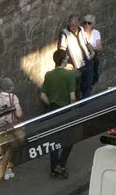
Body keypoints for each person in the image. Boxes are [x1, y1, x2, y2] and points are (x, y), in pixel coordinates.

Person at [41, 49, 77, 179]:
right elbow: (72, 97)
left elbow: (43, 95)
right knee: (69, 139)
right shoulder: (70, 75)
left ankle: (53, 167)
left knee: (54, 139)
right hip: (66, 110)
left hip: (53, 109)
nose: (68, 59)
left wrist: (51, 104)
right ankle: (61, 165)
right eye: (66, 57)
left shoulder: (49, 75)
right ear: (63, 60)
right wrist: (74, 109)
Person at [0, 77, 23, 181]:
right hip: (8, 128)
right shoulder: (13, 97)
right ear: (9, 87)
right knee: (8, 150)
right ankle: (6, 170)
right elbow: (18, 114)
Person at [59, 14, 95, 99]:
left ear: (79, 23)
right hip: (76, 66)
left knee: (88, 85)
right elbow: (62, 50)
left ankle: (87, 102)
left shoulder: (81, 29)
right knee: (79, 88)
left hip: (87, 61)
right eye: (71, 25)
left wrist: (92, 52)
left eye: (75, 25)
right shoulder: (64, 33)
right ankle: (83, 103)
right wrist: (67, 64)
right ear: (68, 23)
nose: (73, 27)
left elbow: (87, 43)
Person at [80, 15, 103, 90]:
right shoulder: (81, 33)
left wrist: (90, 48)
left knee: (94, 76)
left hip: (93, 58)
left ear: (93, 25)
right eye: (85, 23)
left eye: (89, 23)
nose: (86, 25)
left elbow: (99, 47)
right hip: (83, 59)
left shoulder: (95, 33)